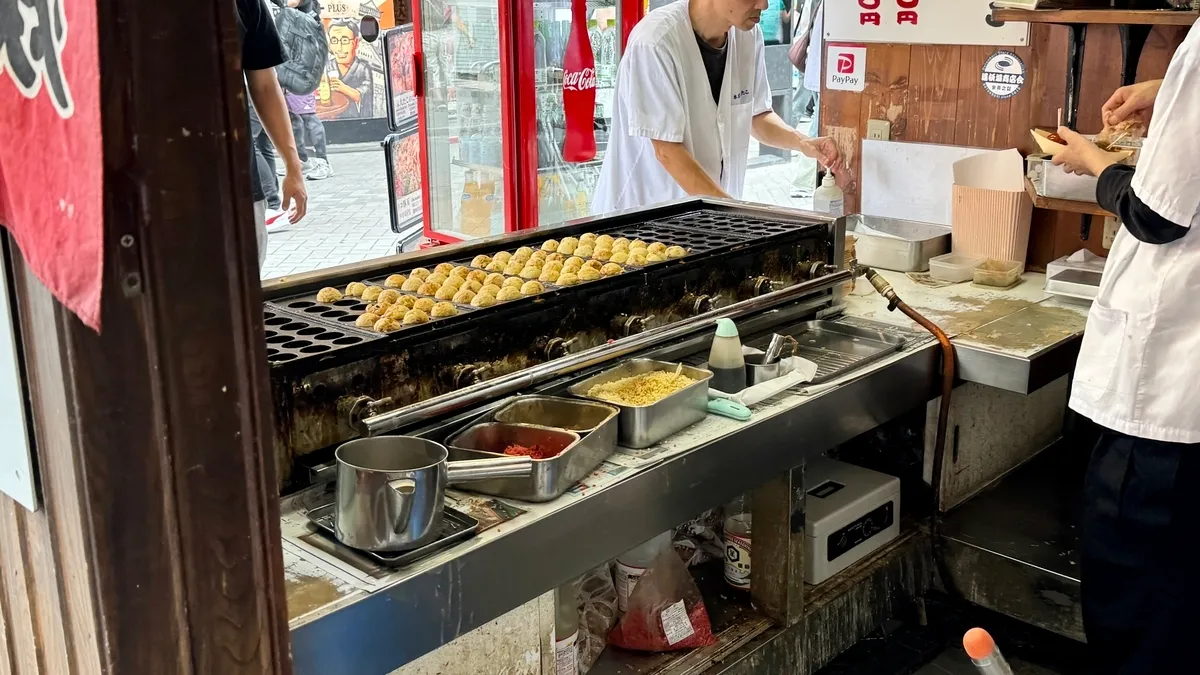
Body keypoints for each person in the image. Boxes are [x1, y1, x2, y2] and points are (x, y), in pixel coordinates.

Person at [1049, 20, 1200, 675]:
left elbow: (1154, 214)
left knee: (1136, 618)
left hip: (1169, 399)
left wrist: (1092, 162)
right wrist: (1170, 87)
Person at [592, 0, 842, 215]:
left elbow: (757, 114)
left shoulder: (747, 34)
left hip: (709, 214)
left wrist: (803, 143)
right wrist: (733, 213)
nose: (764, 5)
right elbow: (667, 151)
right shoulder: (654, 42)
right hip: (644, 214)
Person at [238, 0, 307, 263]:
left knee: (245, 286)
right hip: (152, 190)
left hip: (239, 184)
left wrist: (293, 167)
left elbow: (265, 83)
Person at [328, 18, 375, 118]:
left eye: (345, 41)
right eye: (334, 41)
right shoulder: (327, 66)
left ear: (356, 43)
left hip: (355, 122)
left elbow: (364, 96)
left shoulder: (363, 69)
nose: (339, 48)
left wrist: (343, 88)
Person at [286, 90, 333, 180]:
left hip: (297, 80)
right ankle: (302, 162)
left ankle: (324, 163)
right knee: (292, 118)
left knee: (308, 116)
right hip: (282, 81)